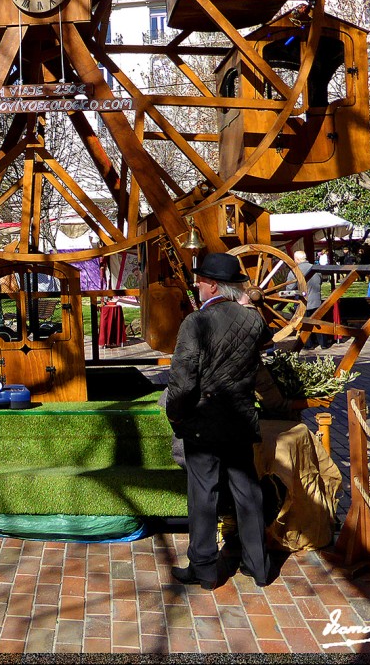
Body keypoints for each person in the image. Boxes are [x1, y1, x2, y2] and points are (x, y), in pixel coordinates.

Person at [163, 252, 271, 590]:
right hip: (239, 418)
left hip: (204, 420)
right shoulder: (254, 321)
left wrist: (175, 414)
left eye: (200, 280)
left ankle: (206, 568)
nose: (196, 285)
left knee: (203, 495)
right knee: (248, 492)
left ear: (211, 285)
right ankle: (259, 566)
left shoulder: (196, 322)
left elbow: (183, 379)